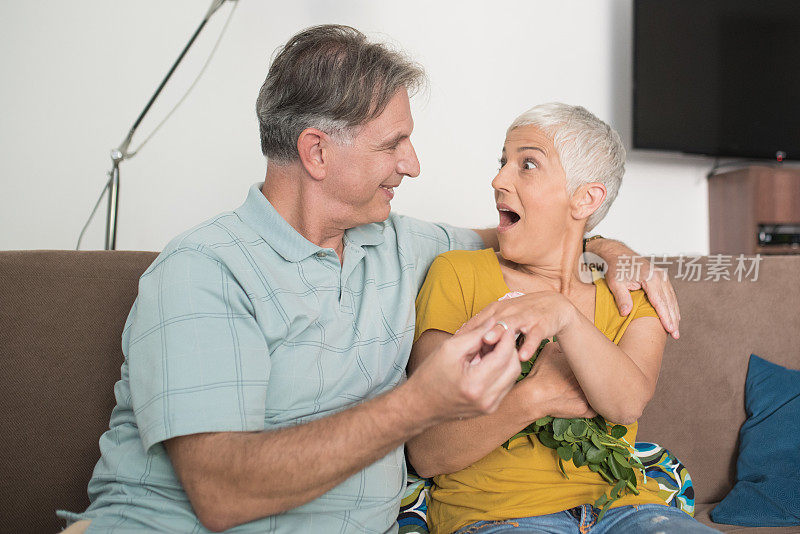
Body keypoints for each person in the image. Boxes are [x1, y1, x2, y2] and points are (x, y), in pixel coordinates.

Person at [58, 27, 680, 534]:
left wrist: (608, 245)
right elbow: (221, 493)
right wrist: (420, 404)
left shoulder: (400, 245)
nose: (413, 165)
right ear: (317, 153)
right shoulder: (204, 271)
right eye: (393, 145)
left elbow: (528, 237)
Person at [407, 103, 715, 534]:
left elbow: (625, 404)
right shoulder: (458, 275)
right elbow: (425, 451)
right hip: (499, 515)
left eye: (527, 164)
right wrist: (533, 398)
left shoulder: (631, 296)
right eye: (503, 162)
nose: (498, 179)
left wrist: (565, 316)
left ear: (585, 198)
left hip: (630, 511)